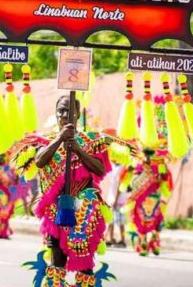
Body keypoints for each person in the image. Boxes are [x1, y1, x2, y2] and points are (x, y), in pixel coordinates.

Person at [14, 94, 117, 287]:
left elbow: (100, 169)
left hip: (85, 211)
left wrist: (78, 150)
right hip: (56, 211)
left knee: (85, 266)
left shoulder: (91, 140)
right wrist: (60, 139)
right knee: (57, 262)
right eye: (61, 110)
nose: (64, 114)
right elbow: (40, 161)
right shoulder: (46, 141)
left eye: (69, 111)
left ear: (77, 114)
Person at [105, 163, 127, 248]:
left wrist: (116, 200)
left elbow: (120, 186)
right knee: (111, 220)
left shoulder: (122, 168)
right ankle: (111, 239)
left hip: (119, 200)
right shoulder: (114, 167)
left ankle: (123, 240)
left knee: (120, 221)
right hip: (112, 199)